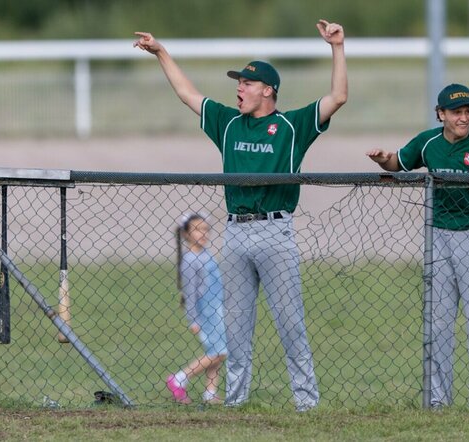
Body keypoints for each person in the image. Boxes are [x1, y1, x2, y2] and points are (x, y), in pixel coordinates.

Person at [134, 19, 348, 412]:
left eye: (247, 84)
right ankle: (235, 401)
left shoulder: (291, 126)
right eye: (239, 83)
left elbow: (337, 96)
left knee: (290, 323)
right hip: (235, 234)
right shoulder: (228, 123)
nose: (239, 88)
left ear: (268, 91)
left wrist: (337, 46)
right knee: (236, 327)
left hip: (275, 231)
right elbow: (187, 94)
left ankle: (306, 402)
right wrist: (161, 52)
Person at [366, 83, 469, 409]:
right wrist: (384, 160)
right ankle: (437, 401)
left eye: (467, 111)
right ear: (441, 114)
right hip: (437, 239)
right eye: (456, 112)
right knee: (438, 325)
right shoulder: (428, 143)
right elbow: (399, 162)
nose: (464, 117)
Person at [167, 212, 228, 405]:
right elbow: (190, 294)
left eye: (205, 229)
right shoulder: (190, 260)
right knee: (219, 351)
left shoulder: (206, 255)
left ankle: (210, 393)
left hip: (218, 308)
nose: (203, 234)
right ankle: (179, 378)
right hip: (206, 311)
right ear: (186, 234)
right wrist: (193, 319)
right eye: (197, 230)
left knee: (217, 351)